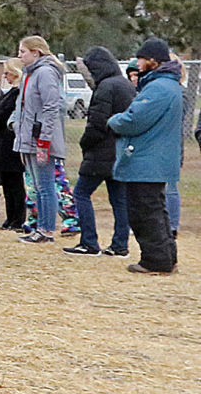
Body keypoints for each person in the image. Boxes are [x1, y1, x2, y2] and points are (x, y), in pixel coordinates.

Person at [108, 38, 182, 275]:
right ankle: (167, 256)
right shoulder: (167, 85)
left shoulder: (158, 88)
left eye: (141, 59)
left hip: (146, 160)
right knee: (156, 209)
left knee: (144, 212)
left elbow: (134, 119)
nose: (137, 64)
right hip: (155, 160)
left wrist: (113, 121)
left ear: (153, 61)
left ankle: (155, 261)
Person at [67, 46, 133, 257]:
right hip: (120, 152)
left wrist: (85, 143)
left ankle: (89, 242)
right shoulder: (125, 85)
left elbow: (97, 122)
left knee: (81, 194)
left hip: (101, 152)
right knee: (119, 199)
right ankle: (120, 245)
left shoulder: (105, 87)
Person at [12, 34, 68, 244]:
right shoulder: (29, 74)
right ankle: (40, 227)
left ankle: (46, 229)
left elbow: (51, 106)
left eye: (23, 51)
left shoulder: (45, 73)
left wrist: (44, 140)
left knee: (45, 186)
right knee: (36, 185)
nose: (19, 56)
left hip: (40, 140)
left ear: (36, 52)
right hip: (28, 138)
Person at [0, 61, 27, 229]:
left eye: (8, 73)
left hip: (11, 142)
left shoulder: (18, 93)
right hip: (5, 142)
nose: (5, 77)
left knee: (15, 182)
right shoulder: (12, 92)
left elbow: (1, 115)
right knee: (8, 181)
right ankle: (11, 217)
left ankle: (17, 218)